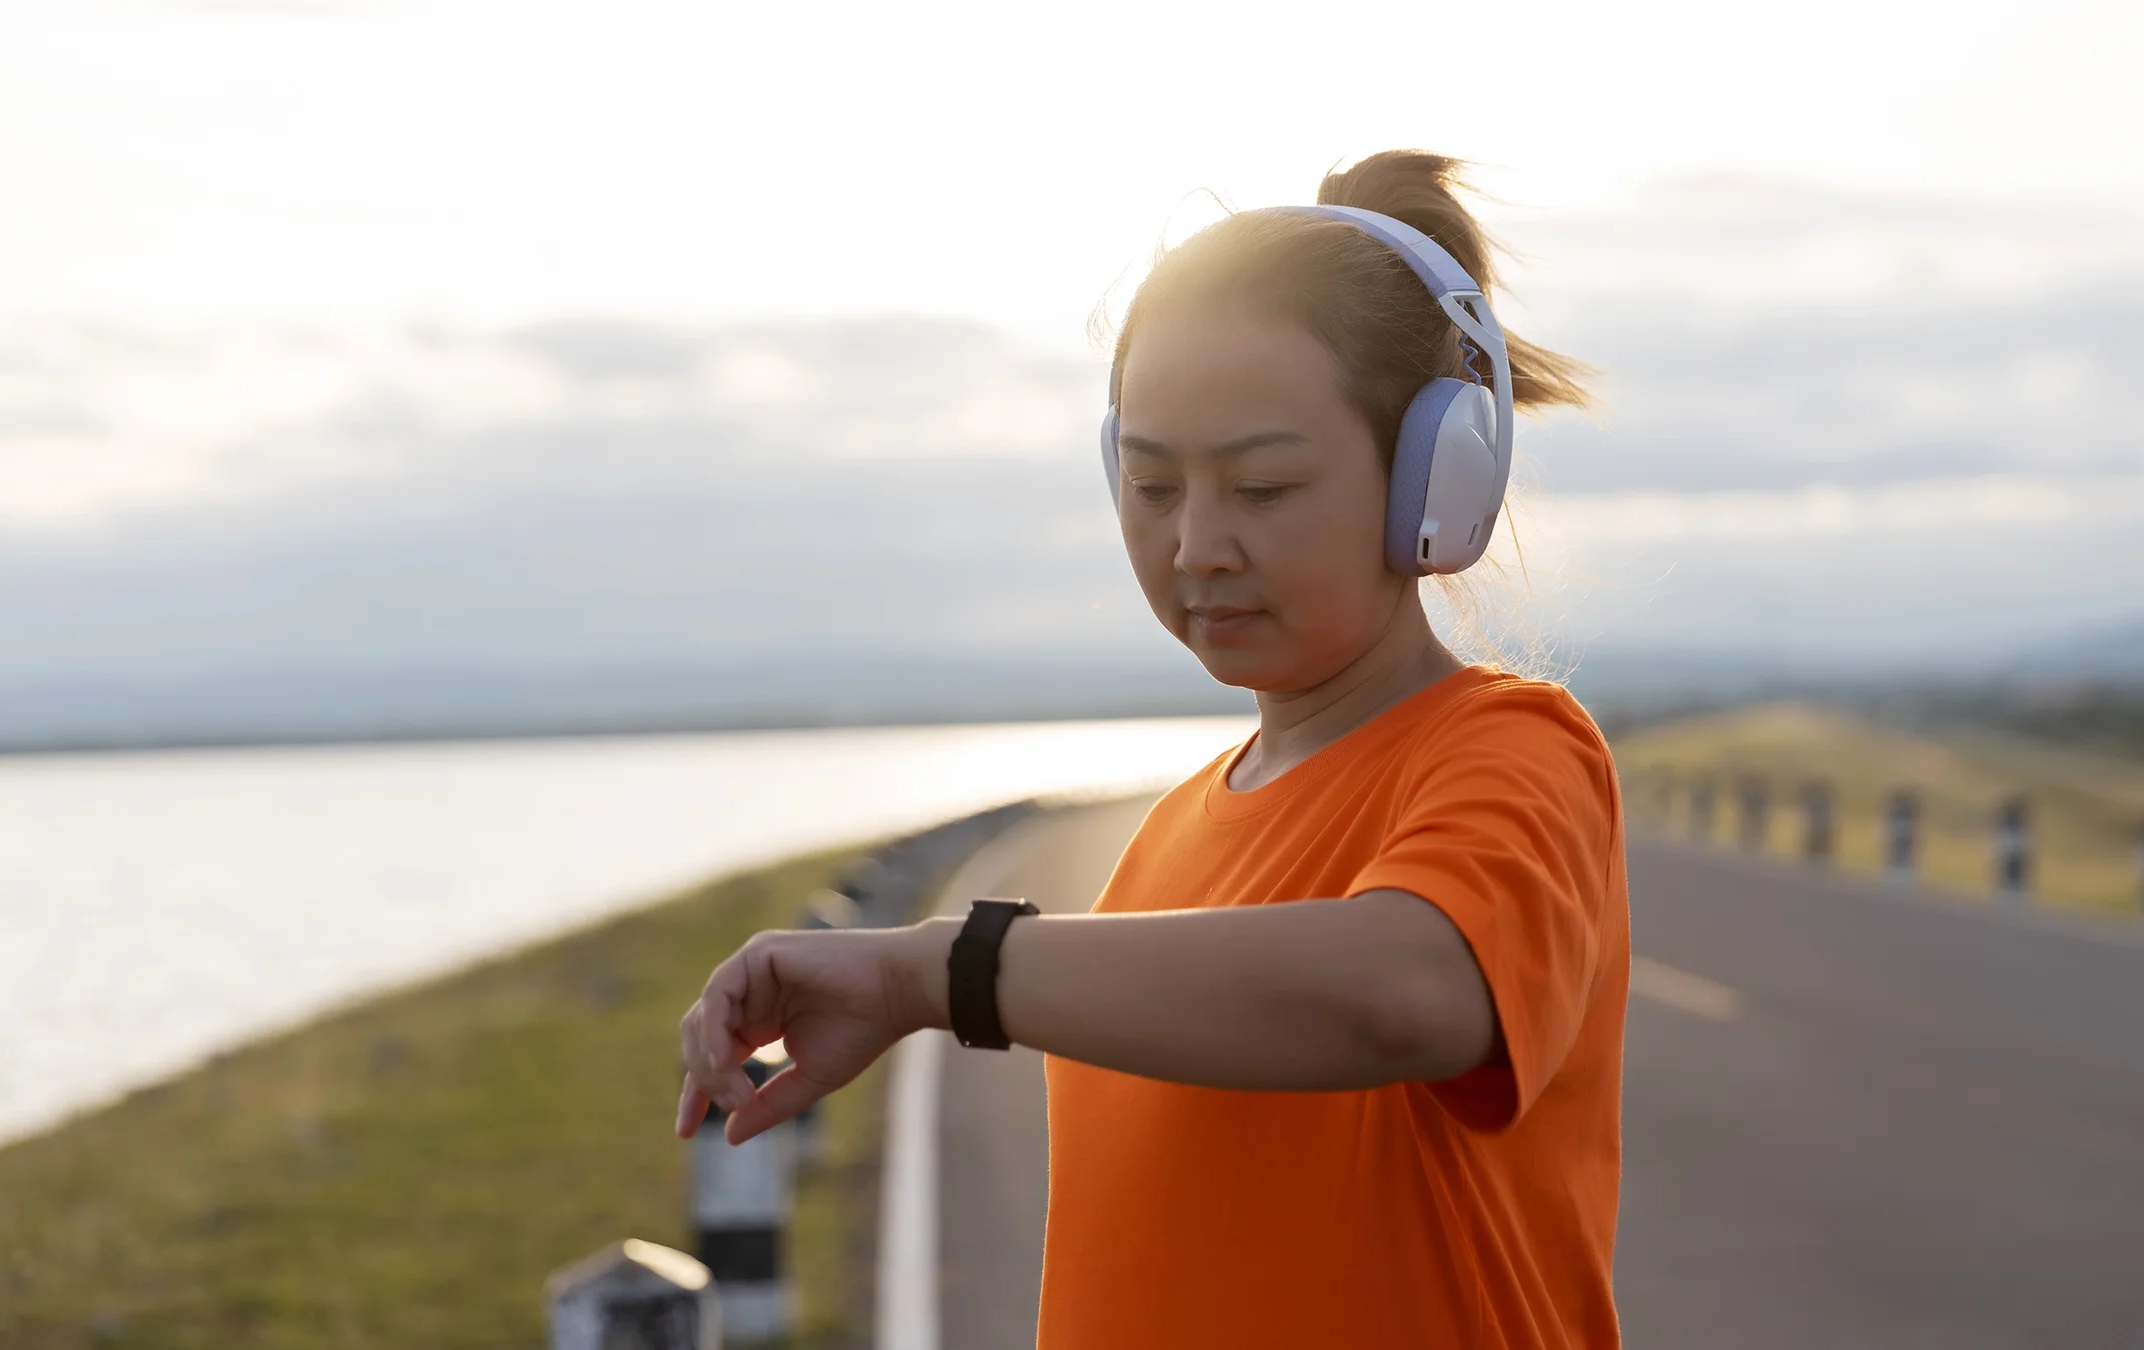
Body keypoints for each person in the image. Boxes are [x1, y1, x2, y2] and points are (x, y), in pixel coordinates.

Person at [676, 149, 1626, 1348]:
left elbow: (1405, 993)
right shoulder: (1167, 840)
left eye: (1264, 485)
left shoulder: (1508, 750)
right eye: (1152, 483)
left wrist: (934, 974)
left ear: (1435, 477)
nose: (1197, 546)